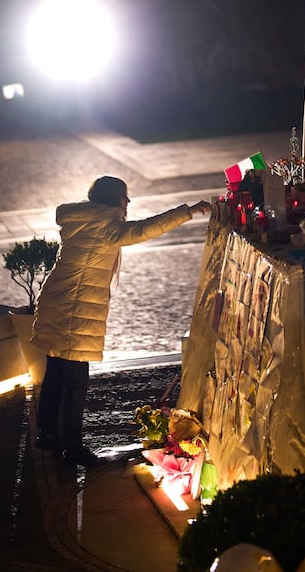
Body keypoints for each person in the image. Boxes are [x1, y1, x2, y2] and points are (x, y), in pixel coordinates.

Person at [31, 176, 212, 464]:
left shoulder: (84, 220)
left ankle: (48, 434)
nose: (128, 202)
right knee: (76, 379)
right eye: (124, 196)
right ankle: (73, 448)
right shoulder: (104, 227)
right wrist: (187, 211)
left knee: (56, 370)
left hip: (58, 301)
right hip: (73, 308)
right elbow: (144, 230)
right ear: (112, 198)